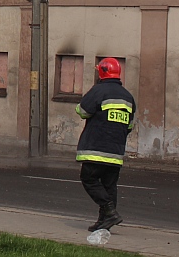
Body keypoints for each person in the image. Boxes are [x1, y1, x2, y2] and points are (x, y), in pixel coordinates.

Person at [75, 57, 135, 232]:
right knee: (109, 185)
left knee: (89, 179)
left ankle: (109, 211)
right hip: (115, 151)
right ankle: (104, 222)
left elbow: (83, 111)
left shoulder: (99, 90)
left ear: (102, 72)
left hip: (96, 149)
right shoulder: (128, 97)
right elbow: (129, 126)